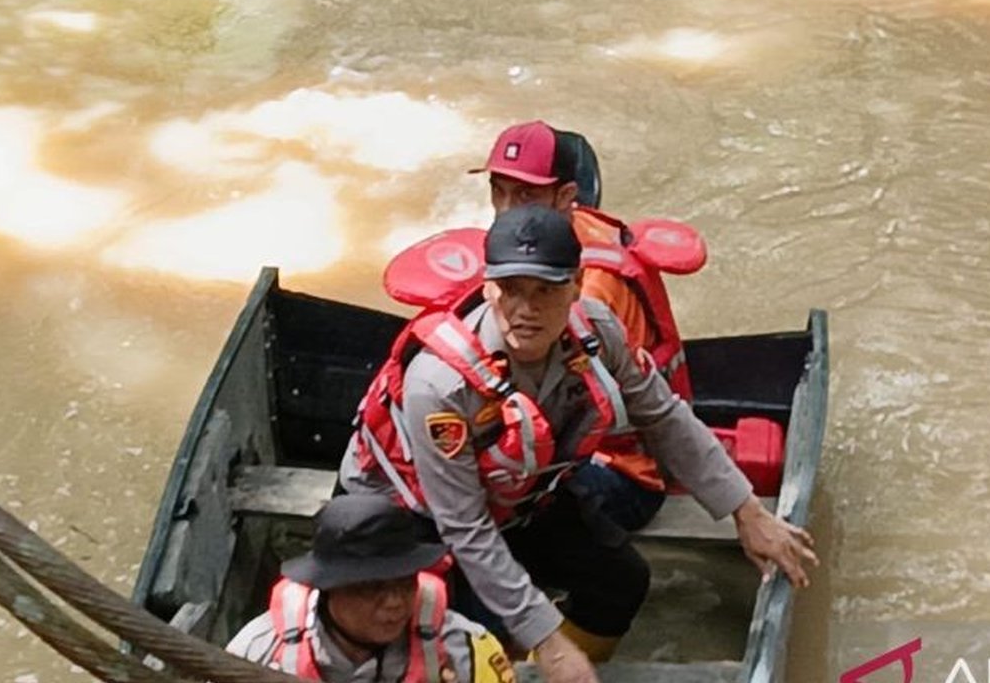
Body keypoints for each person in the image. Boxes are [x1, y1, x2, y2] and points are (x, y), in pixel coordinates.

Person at [341, 206, 817, 683]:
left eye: (546, 290)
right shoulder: (440, 384)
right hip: (413, 514)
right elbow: (464, 527)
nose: (526, 310)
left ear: (576, 287)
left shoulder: (596, 330)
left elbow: (663, 415)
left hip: (514, 490)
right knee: (473, 647)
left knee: (620, 581)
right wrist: (547, 638)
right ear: (488, 288)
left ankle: (563, 670)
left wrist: (747, 511)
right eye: (511, 289)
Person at [466, 120, 711, 530]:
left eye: (525, 195)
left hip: (619, 467)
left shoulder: (586, 288)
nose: (506, 210)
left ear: (566, 197)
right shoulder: (545, 245)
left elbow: (541, 405)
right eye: (498, 191)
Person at [224, 494, 514, 683]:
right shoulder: (255, 653)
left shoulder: (465, 649)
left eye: (405, 582)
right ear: (329, 588)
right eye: (372, 587)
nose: (395, 602)